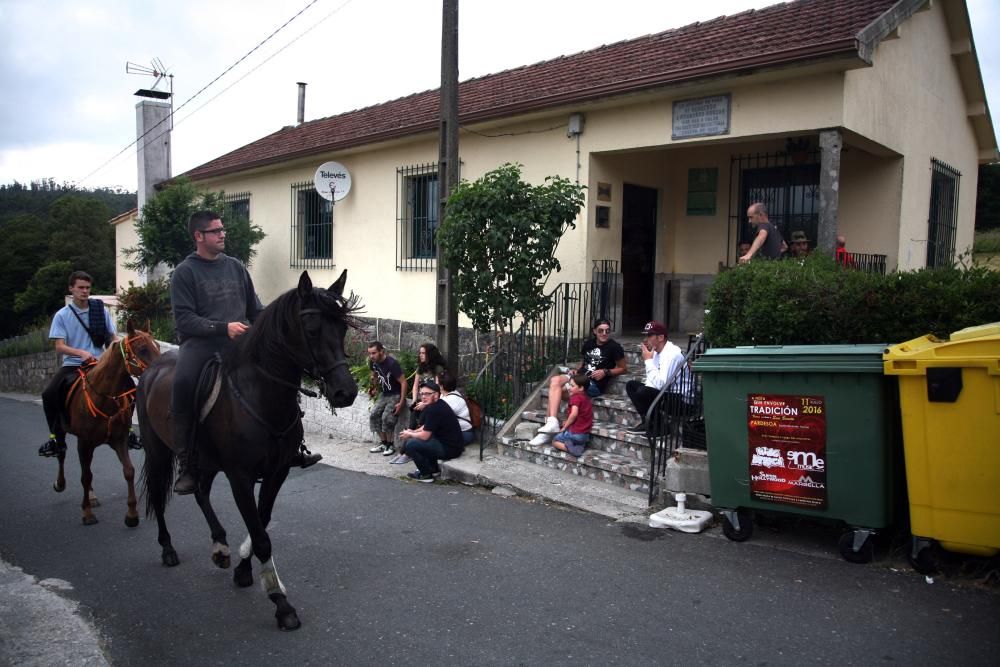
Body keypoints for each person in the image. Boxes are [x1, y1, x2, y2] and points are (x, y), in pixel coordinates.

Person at [170, 211, 321, 495]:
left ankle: (293, 447)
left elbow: (255, 310)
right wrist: (222, 327)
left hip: (241, 342)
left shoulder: (236, 267)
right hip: (200, 345)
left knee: (280, 374)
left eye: (222, 229)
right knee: (182, 384)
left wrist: (270, 330)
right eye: (215, 231)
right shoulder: (184, 272)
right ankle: (187, 462)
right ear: (198, 236)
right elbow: (184, 320)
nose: (222, 234)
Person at [38, 271, 118, 457]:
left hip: (99, 363)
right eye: (80, 288)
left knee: (128, 387)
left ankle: (128, 433)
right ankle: (56, 438)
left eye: (87, 288)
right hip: (73, 364)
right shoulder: (62, 315)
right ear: (71, 289)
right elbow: (59, 346)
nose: (84, 291)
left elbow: (112, 336)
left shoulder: (100, 309)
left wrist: (115, 348)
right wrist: (81, 353)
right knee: (49, 393)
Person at [530, 318, 625, 446]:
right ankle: (551, 424)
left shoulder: (614, 347)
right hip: (579, 379)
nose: (604, 333)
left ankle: (548, 431)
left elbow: (623, 368)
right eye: (600, 330)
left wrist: (606, 372)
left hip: (593, 385)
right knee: (554, 383)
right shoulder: (589, 344)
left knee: (555, 391)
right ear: (594, 331)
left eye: (607, 331)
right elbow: (584, 362)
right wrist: (576, 369)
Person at [625, 321, 690, 434]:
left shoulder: (671, 354)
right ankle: (648, 422)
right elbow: (652, 382)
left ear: (660, 337)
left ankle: (661, 428)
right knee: (631, 385)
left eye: (649, 335)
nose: (645, 339)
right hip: (668, 394)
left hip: (682, 401)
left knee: (643, 391)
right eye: (645, 335)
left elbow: (661, 385)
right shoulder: (655, 352)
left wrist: (648, 361)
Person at [398, 380, 464, 482]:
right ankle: (433, 470)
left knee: (411, 444)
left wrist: (410, 434)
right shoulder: (437, 404)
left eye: (427, 394)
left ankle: (425, 475)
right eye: (422, 394)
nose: (423, 397)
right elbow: (427, 426)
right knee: (419, 439)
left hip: (450, 449)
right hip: (450, 445)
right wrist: (413, 431)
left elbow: (425, 436)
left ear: (436, 395)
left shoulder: (434, 410)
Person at [366, 341, 407, 456]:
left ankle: (390, 445)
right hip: (384, 393)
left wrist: (401, 402)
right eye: (369, 353)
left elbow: (403, 382)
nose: (371, 356)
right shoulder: (373, 362)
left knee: (387, 418)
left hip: (395, 394)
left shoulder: (392, 364)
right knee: (374, 415)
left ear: (381, 351)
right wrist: (373, 388)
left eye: (374, 353)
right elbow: (373, 374)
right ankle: (384, 443)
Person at [404, 342, 447, 434]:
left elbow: (437, 389)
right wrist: (414, 400)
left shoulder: (438, 369)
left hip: (431, 401)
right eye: (420, 353)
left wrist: (425, 403)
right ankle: (410, 439)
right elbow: (415, 385)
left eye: (423, 353)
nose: (420, 355)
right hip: (421, 399)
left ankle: (415, 439)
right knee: (413, 416)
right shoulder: (420, 367)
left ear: (430, 354)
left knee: (421, 420)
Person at [551, 374, 594, 457]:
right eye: (569, 385)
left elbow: (574, 414)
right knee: (574, 439)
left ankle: (572, 449)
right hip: (585, 436)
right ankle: (579, 446)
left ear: (581, 388)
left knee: (555, 441)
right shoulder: (586, 398)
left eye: (572, 386)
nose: (569, 388)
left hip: (575, 434)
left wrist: (564, 427)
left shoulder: (575, 398)